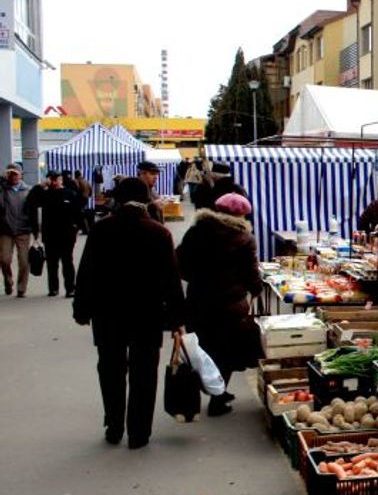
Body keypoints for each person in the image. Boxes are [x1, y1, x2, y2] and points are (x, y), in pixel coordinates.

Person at [73, 177, 185, 448]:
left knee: (110, 368)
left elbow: (86, 272)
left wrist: (82, 309)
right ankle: (139, 432)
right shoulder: (159, 233)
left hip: (107, 313)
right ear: (146, 199)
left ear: (117, 200)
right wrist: (177, 319)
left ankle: (114, 424)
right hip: (147, 314)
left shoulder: (102, 230)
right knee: (144, 371)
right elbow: (171, 280)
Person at [176, 192, 261, 417]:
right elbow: (251, 272)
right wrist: (256, 288)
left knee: (201, 349)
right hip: (229, 306)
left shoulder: (196, 232)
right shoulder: (243, 238)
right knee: (225, 351)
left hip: (198, 301)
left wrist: (197, 279)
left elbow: (181, 263)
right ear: (241, 214)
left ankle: (196, 398)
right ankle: (217, 398)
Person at [37, 170, 83, 297]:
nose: (54, 182)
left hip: (66, 233)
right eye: (51, 179)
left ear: (60, 180)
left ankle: (70, 288)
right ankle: (53, 288)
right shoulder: (45, 194)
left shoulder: (69, 194)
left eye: (56, 179)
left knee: (67, 261)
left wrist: (77, 227)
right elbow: (31, 202)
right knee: (52, 263)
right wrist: (41, 186)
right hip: (50, 234)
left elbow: (78, 212)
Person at [0, 163, 35, 297]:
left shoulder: (27, 191)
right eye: (10, 173)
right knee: (4, 259)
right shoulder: (3, 189)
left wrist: (35, 232)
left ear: (21, 175)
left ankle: (21, 288)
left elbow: (32, 211)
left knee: (24, 261)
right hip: (5, 230)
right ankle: (8, 282)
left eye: (15, 173)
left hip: (23, 230)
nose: (12, 176)